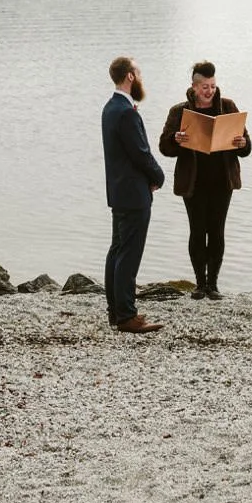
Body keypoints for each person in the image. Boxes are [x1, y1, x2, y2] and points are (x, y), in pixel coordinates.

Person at [158, 61, 252, 300]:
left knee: (217, 231)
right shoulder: (179, 111)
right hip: (194, 182)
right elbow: (164, 147)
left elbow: (245, 146)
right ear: (194, 86)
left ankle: (213, 284)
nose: (209, 91)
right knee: (197, 231)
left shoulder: (228, 106)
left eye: (212, 86)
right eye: (204, 87)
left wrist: (243, 143)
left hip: (222, 181)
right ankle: (199, 284)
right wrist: (175, 139)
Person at [101, 56, 166, 334]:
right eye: (138, 72)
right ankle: (127, 315)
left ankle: (116, 311)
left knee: (117, 250)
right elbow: (140, 153)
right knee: (128, 254)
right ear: (129, 76)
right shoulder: (126, 112)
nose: (141, 77)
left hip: (119, 190)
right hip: (133, 193)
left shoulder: (111, 108)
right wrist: (158, 176)